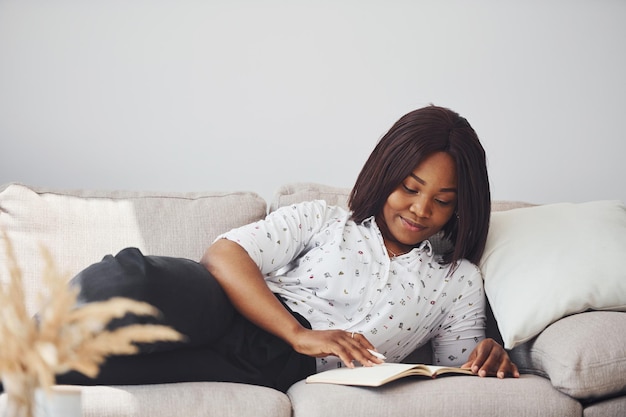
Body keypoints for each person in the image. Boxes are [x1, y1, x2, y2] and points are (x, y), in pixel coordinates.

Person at [57, 105, 519, 393]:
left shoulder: (457, 280)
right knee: (130, 277)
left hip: (277, 366)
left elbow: (455, 372)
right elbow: (223, 256)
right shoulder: (325, 219)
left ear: (462, 208)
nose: (421, 210)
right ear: (385, 174)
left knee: (92, 370)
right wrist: (297, 332)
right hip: (233, 304)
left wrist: (489, 356)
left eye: (442, 201)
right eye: (410, 189)